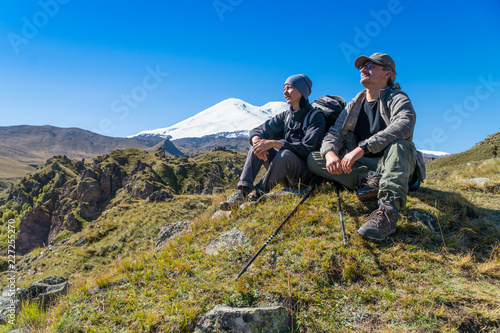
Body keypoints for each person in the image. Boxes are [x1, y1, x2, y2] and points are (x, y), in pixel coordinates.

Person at [307, 53, 426, 241]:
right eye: (362, 66)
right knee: (314, 158)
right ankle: (369, 181)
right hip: (365, 166)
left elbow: (405, 124)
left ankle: (387, 213)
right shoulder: (355, 103)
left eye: (370, 65)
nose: (363, 69)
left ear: (387, 73)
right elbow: (335, 133)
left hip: (393, 162)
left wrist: (363, 147)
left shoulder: (398, 98)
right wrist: (330, 153)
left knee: (400, 145)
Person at [220, 74, 325, 210]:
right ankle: (243, 193)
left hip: (304, 177)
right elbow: (257, 130)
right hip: (283, 173)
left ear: (302, 90)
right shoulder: (286, 116)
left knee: (285, 154)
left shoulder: (316, 117)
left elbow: (307, 148)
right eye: (284, 88)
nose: (285, 92)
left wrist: (276, 143)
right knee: (257, 146)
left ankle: (258, 193)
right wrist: (257, 141)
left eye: (290, 88)